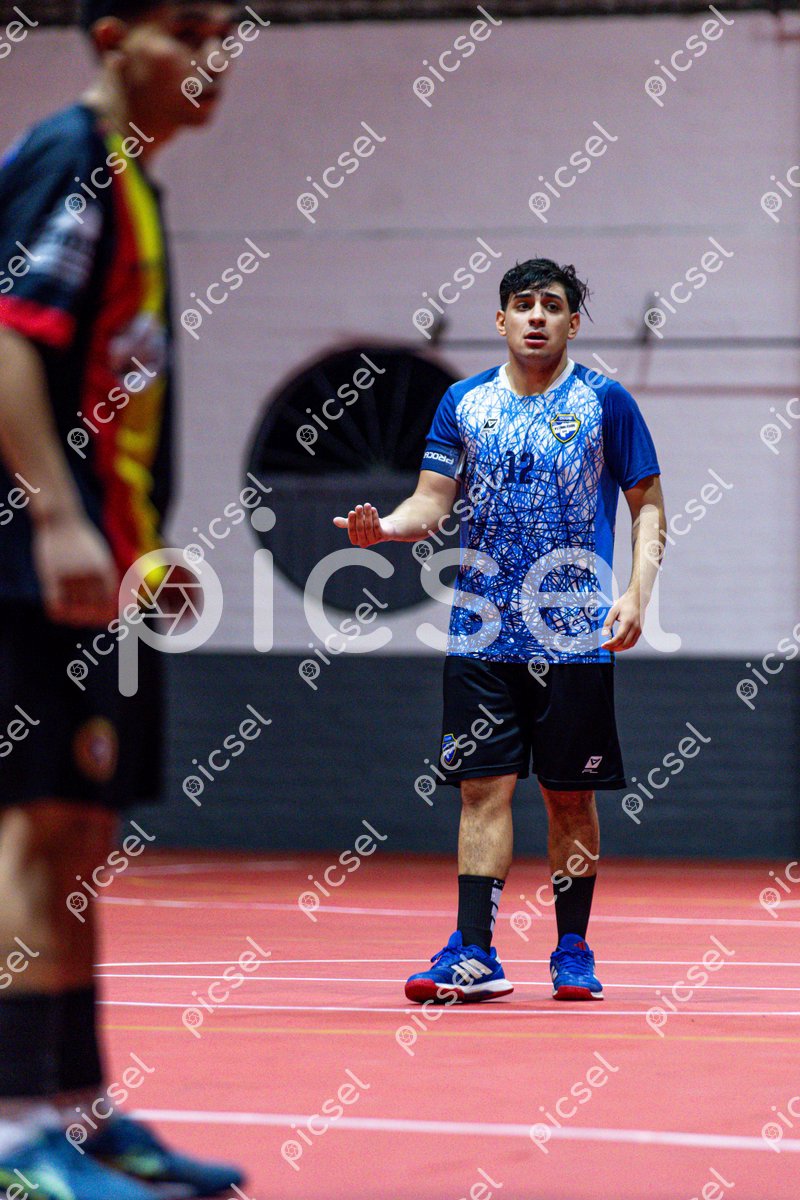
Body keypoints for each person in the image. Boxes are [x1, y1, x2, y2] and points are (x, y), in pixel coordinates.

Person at [0, 2, 246, 1194]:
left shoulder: (133, 187)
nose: (215, 56)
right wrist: (53, 517)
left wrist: (140, 549)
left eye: (227, 33)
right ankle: (14, 1139)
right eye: (186, 29)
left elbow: (112, 414)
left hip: (108, 581)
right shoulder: (72, 160)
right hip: (27, 566)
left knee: (82, 837)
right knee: (31, 830)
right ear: (111, 37)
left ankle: (78, 1111)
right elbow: (7, 339)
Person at [334, 258, 665, 1005]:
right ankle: (475, 952)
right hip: (480, 634)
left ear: (572, 322)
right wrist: (386, 528)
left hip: (574, 635)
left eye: (551, 305)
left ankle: (572, 950)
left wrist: (637, 593)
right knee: (481, 791)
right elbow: (430, 501)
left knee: (569, 797)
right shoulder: (464, 403)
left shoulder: (606, 402)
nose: (536, 316)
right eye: (522, 304)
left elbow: (647, 505)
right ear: (501, 319)